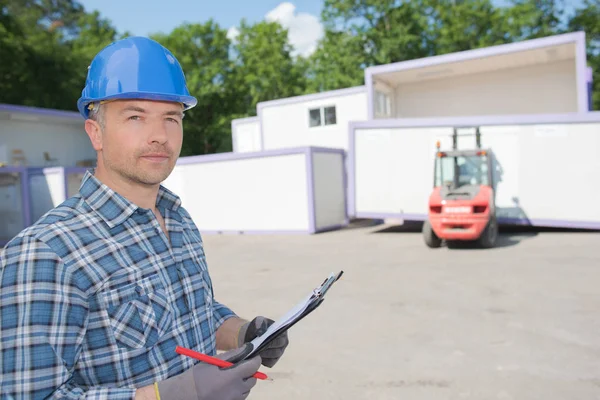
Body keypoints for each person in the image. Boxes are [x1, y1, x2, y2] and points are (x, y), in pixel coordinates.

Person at [0, 36, 289, 399]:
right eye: (135, 117)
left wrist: (243, 331)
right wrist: (164, 396)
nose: (159, 136)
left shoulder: (179, 220)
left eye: (172, 118)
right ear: (96, 133)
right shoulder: (46, 253)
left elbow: (187, 313)